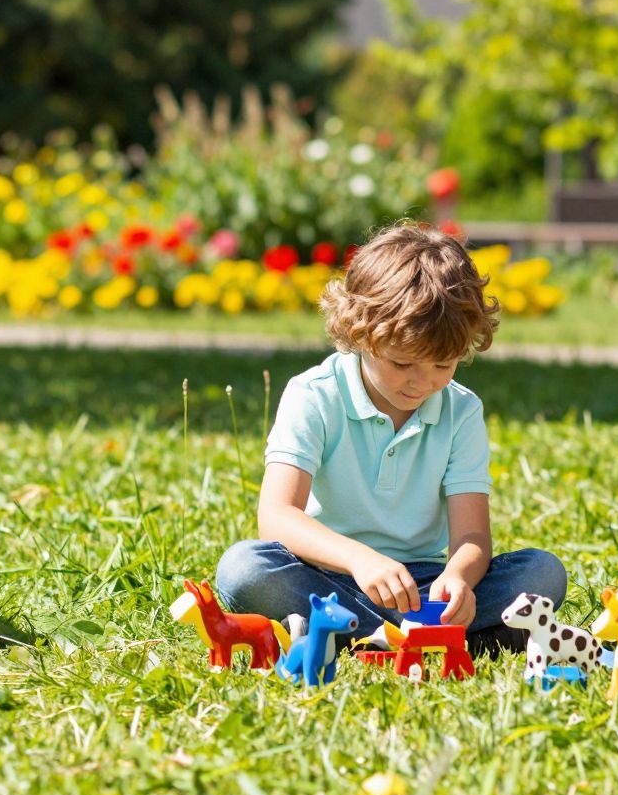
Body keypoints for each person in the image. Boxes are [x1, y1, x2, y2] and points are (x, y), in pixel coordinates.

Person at [214, 222, 566, 652]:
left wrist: (458, 579)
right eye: (403, 364)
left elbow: (472, 537)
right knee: (243, 569)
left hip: (423, 585)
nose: (422, 383)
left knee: (542, 573)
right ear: (359, 332)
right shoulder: (314, 395)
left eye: (443, 365)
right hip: (327, 573)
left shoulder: (461, 410)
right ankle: (436, 637)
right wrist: (360, 560)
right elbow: (277, 516)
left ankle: (360, 633)